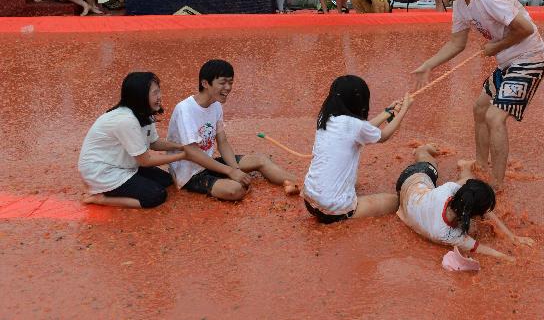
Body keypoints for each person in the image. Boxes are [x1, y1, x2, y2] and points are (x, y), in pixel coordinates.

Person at [413, 0, 544, 189]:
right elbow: (457, 43)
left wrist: (496, 46)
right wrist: (429, 65)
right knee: (480, 108)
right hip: (507, 62)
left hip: (531, 58)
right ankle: (480, 165)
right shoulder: (459, 4)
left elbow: (526, 28)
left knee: (494, 117)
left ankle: (494, 186)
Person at [167, 59, 298, 201]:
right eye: (223, 83)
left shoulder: (215, 104)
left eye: (230, 82)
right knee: (235, 190)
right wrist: (230, 171)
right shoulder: (185, 109)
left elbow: (222, 141)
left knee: (261, 159)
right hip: (189, 172)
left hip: (208, 162)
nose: (228, 87)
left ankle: (298, 183)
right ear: (205, 83)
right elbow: (191, 152)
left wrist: (235, 170)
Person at [302, 75, 413, 224]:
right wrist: (403, 111)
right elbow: (384, 135)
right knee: (396, 202)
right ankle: (344, 212)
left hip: (310, 200)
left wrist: (387, 112)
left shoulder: (326, 117)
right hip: (333, 209)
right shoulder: (355, 126)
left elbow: (362, 130)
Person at [396, 144, 534, 261]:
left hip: (412, 189)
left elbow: (474, 201)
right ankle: (423, 149)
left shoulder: (449, 190)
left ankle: (465, 168)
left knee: (467, 183)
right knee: (431, 162)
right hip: (417, 176)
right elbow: (481, 248)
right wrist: (510, 258)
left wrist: (512, 237)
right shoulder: (446, 234)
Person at [79, 72, 187, 209]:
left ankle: (117, 189)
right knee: (156, 195)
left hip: (122, 164)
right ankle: (101, 198)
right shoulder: (126, 120)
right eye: (155, 93)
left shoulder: (144, 113)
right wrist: (184, 155)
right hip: (102, 171)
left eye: (159, 91)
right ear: (140, 96)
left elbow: (154, 143)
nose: (159, 97)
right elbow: (145, 161)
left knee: (166, 180)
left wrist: (183, 147)